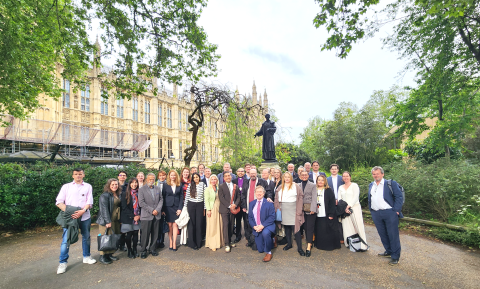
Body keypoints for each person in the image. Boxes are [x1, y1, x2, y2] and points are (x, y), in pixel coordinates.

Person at [55, 168, 96, 274]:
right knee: (66, 240)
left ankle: (86, 257)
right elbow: (59, 202)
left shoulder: (88, 186)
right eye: (76, 174)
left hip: (85, 217)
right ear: (73, 176)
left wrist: (82, 211)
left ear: (83, 175)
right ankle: (62, 263)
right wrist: (71, 212)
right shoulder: (66, 187)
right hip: (70, 218)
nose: (78, 176)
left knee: (86, 237)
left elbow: (89, 201)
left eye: (80, 174)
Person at [368, 166, 403, 266]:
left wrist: (396, 210)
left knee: (393, 235)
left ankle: (395, 257)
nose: (376, 175)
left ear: (382, 174)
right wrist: (372, 210)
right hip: (376, 213)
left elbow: (399, 197)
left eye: (377, 173)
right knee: (382, 234)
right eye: (374, 174)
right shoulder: (371, 185)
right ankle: (388, 251)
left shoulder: (390, 183)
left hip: (389, 212)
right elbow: (370, 198)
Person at [274, 172, 305, 256]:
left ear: (291, 178)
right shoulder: (280, 187)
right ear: (283, 178)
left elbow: (301, 197)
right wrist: (277, 208)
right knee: (287, 228)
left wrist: (299, 210)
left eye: (288, 177)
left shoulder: (296, 186)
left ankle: (300, 248)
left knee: (296, 229)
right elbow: (276, 198)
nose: (287, 178)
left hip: (293, 209)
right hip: (283, 209)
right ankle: (289, 244)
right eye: (285, 177)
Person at [338, 171, 368, 251]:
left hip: (354, 208)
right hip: (344, 210)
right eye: (344, 176)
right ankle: (349, 243)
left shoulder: (354, 185)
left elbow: (356, 197)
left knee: (358, 225)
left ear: (350, 177)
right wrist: (345, 208)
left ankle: (363, 245)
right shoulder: (340, 187)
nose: (345, 177)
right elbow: (340, 198)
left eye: (347, 176)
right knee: (347, 227)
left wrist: (349, 206)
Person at [241, 169, 268, 248]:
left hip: (259, 207)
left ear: (256, 174)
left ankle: (258, 241)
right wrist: (244, 206)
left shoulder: (262, 181)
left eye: (254, 173)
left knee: (259, 224)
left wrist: (269, 198)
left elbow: (268, 191)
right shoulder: (246, 182)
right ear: (249, 173)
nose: (252, 175)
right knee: (248, 225)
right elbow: (243, 194)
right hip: (248, 207)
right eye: (251, 173)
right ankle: (250, 241)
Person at [248, 186, 277, 262]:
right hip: (257, 227)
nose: (259, 193)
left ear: (264, 193)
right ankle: (272, 240)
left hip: (267, 226)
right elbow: (250, 217)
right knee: (260, 249)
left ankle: (268, 252)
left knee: (265, 233)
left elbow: (272, 217)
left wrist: (262, 226)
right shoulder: (251, 203)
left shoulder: (269, 203)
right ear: (255, 193)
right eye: (257, 192)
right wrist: (254, 227)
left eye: (261, 192)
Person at [138, 173, 163, 258]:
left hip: (157, 215)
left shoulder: (157, 188)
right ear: (146, 179)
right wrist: (152, 210)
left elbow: (161, 200)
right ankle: (143, 250)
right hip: (146, 215)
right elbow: (141, 203)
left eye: (153, 179)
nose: (151, 181)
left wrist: (157, 210)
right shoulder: (141, 189)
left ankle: (152, 249)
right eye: (149, 179)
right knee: (145, 234)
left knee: (155, 234)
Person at [97, 178, 121, 264]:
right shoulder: (105, 195)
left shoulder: (117, 194)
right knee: (105, 237)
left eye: (116, 184)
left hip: (115, 220)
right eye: (112, 184)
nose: (115, 186)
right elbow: (104, 209)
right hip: (107, 220)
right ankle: (103, 256)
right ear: (109, 186)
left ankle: (110, 254)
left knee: (112, 237)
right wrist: (107, 221)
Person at [314, 175, 341, 251]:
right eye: (319, 180)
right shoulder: (314, 189)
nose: (320, 182)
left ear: (325, 181)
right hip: (317, 214)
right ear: (316, 181)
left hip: (326, 214)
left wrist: (331, 214)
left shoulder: (328, 190)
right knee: (319, 230)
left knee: (327, 230)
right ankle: (319, 244)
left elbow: (332, 203)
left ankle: (327, 246)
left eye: (322, 180)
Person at [218, 172, 241, 252]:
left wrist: (235, 204)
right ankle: (227, 243)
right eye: (226, 176)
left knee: (231, 225)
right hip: (225, 209)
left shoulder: (235, 186)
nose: (228, 177)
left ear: (231, 177)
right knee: (226, 225)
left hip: (233, 209)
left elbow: (238, 196)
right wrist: (229, 205)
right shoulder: (221, 186)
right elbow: (221, 198)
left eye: (229, 176)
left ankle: (230, 240)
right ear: (224, 178)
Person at [184, 173, 206, 250]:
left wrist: (204, 209)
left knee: (199, 223)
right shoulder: (190, 185)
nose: (196, 178)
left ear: (199, 177)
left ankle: (198, 242)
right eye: (194, 177)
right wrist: (185, 208)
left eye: (197, 177)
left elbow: (205, 197)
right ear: (192, 179)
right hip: (191, 205)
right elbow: (187, 197)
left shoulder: (203, 185)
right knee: (191, 223)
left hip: (200, 205)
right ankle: (192, 243)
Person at [162, 170, 183, 251]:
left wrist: (180, 208)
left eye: (174, 175)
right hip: (168, 207)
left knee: (175, 225)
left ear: (176, 176)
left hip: (176, 207)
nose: (173, 177)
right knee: (169, 225)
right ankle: (170, 241)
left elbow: (181, 197)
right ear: (169, 176)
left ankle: (174, 242)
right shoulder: (165, 185)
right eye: (171, 175)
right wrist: (163, 209)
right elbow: (163, 197)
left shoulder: (179, 185)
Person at [121, 178, 141, 258]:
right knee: (129, 234)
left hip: (138, 217)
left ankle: (135, 249)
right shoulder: (124, 194)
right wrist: (133, 216)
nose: (134, 184)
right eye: (132, 183)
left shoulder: (139, 193)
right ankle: (129, 250)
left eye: (136, 182)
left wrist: (138, 216)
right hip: (128, 217)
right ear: (129, 184)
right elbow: (124, 207)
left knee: (136, 233)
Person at [298, 170, 317, 257]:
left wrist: (313, 208)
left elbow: (314, 198)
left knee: (309, 227)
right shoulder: (298, 185)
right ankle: (309, 240)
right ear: (300, 176)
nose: (304, 176)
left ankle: (309, 246)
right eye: (303, 175)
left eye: (306, 175)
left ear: (308, 176)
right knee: (305, 227)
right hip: (301, 210)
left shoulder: (313, 185)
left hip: (310, 210)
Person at [205, 175, 224, 251]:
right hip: (212, 208)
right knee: (212, 226)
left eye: (215, 179)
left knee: (219, 225)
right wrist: (208, 210)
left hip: (220, 207)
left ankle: (219, 242)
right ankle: (212, 244)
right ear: (210, 181)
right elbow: (206, 200)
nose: (213, 181)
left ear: (217, 180)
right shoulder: (207, 189)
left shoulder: (219, 188)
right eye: (212, 179)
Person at [327, 164, 344, 243]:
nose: (334, 170)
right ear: (330, 170)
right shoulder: (327, 179)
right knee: (332, 219)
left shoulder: (342, 178)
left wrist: (339, 200)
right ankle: (333, 237)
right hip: (331, 203)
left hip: (341, 202)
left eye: (335, 169)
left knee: (341, 220)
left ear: (338, 170)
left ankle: (341, 237)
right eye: (332, 169)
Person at [233, 167, 248, 243]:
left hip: (245, 203)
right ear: (237, 172)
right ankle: (238, 236)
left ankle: (247, 235)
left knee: (246, 220)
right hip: (237, 204)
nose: (240, 172)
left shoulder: (247, 181)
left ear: (244, 172)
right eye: (239, 171)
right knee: (238, 221)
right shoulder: (234, 181)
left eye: (242, 171)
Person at [156, 170, 167, 248]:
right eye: (160, 175)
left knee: (162, 225)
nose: (162, 177)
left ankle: (161, 241)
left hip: (164, 208)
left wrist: (163, 209)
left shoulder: (167, 184)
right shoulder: (155, 184)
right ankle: (156, 241)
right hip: (156, 208)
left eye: (163, 175)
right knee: (156, 226)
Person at [117, 171, 128, 252]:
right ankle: (115, 244)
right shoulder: (115, 185)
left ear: (126, 177)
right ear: (118, 177)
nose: (122, 177)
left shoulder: (127, 186)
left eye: (124, 175)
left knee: (123, 229)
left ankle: (122, 245)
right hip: (116, 209)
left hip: (124, 209)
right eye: (121, 175)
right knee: (116, 228)